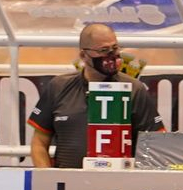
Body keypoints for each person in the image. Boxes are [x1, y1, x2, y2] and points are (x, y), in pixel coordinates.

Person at [29, 23, 162, 168]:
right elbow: (39, 143)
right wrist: (48, 177)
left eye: (115, 48)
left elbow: (156, 143)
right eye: (103, 50)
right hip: (67, 178)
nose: (111, 55)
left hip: (121, 179)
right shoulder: (58, 87)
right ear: (83, 55)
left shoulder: (134, 89)